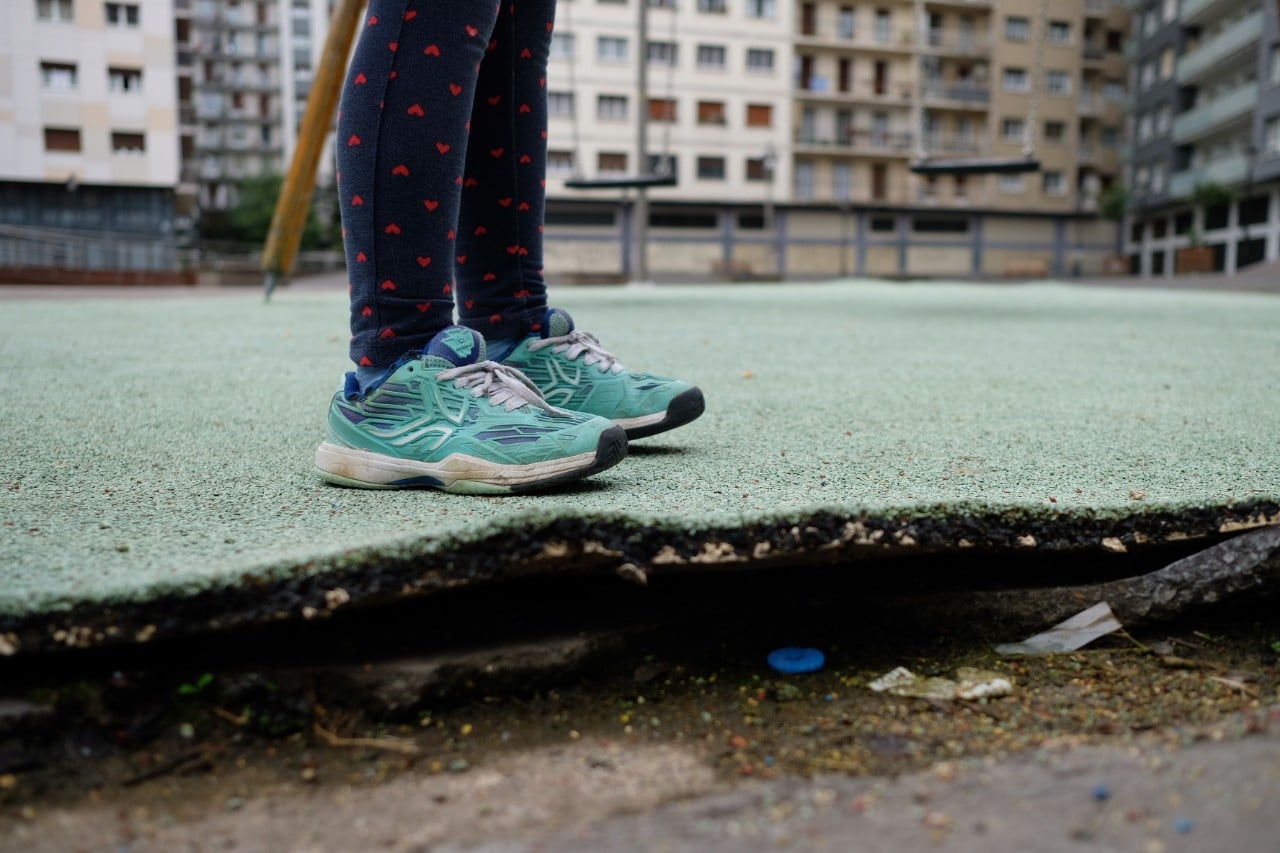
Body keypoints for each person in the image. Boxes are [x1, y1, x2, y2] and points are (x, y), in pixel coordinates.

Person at [314, 0, 703, 494]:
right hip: (392, 377)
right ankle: (393, 373)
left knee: (517, 26)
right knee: (437, 12)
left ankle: (510, 331)